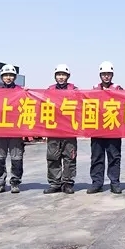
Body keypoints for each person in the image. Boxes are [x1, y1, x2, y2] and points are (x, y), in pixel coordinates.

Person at [88, 61, 124, 195]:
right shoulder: (94, 89)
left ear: (112, 75)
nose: (106, 76)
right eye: (104, 74)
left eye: (108, 74)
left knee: (114, 157)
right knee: (97, 157)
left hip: (113, 128)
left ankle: (115, 183)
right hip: (97, 129)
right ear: (100, 75)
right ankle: (97, 183)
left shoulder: (118, 89)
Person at [43, 64, 78, 195]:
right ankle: (55, 183)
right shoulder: (49, 90)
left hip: (69, 130)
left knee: (69, 157)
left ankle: (68, 183)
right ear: (55, 76)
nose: (61, 77)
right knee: (53, 157)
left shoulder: (74, 90)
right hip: (53, 130)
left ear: (68, 76)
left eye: (63, 75)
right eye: (59, 75)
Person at [0, 64, 25, 194]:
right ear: (1, 77)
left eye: (11, 75)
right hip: (0, 130)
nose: (8, 77)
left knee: (17, 157)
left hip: (15, 130)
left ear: (15, 77)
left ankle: (15, 182)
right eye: (5, 75)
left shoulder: (21, 92)